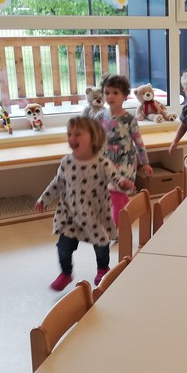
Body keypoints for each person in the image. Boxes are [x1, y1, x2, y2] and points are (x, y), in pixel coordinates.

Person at [35, 116, 133, 291]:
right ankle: (66, 273)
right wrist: (44, 199)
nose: (72, 138)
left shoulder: (102, 163)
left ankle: (103, 269)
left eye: (78, 134)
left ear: (93, 138)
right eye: (69, 134)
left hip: (95, 213)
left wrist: (123, 184)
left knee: (101, 245)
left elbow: (115, 178)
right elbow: (58, 183)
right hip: (70, 214)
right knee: (63, 247)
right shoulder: (67, 162)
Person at [96, 73, 153, 227]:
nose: (110, 96)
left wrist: (145, 163)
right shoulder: (100, 117)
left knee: (116, 193)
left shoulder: (129, 119)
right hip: (107, 162)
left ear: (125, 96)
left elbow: (139, 143)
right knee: (115, 194)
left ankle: (116, 229)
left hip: (125, 163)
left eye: (115, 93)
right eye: (107, 92)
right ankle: (125, 215)